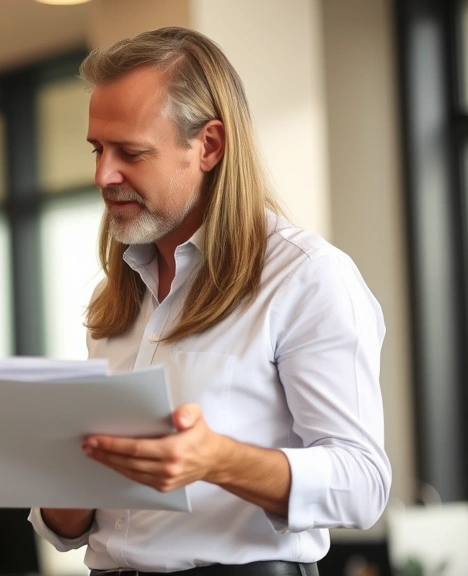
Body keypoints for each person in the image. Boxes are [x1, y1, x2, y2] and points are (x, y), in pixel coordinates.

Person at [30, 27, 390, 576]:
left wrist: (218, 460)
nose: (103, 175)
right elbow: (73, 524)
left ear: (210, 146)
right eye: (98, 149)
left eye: (131, 152)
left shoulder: (306, 277)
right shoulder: (116, 294)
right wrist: (68, 481)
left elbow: (363, 485)